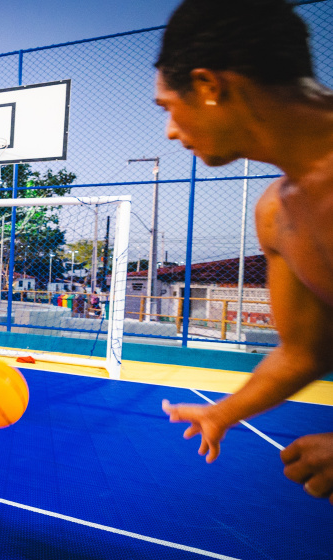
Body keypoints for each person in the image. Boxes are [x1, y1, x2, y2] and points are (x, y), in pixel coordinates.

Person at [155, 0, 333, 503]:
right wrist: (224, 411)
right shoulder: (277, 213)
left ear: (210, 87)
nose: (170, 129)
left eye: (168, 106)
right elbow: (304, 351)